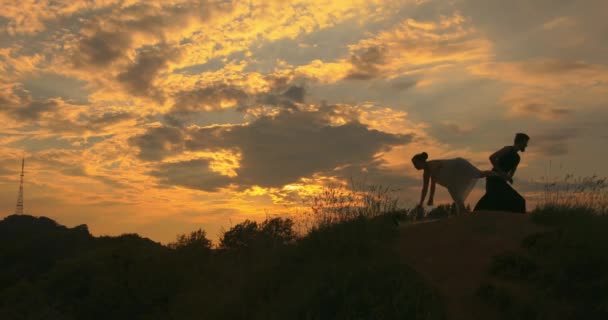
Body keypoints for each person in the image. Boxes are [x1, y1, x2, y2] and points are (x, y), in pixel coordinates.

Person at [412, 152, 495, 215]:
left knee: (479, 174)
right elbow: (425, 188)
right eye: (414, 164)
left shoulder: (432, 165)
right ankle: (464, 214)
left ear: (421, 161)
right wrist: (421, 203)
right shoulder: (426, 173)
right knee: (457, 198)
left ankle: (498, 174)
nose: (415, 166)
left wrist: (431, 198)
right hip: (452, 181)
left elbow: (432, 183)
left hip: (459, 166)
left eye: (416, 163)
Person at [474, 133, 530, 213]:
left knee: (519, 201)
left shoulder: (517, 158)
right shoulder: (507, 149)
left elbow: (511, 173)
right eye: (525, 143)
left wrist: (509, 178)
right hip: (493, 180)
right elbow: (492, 157)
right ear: (520, 142)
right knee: (493, 201)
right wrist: (501, 173)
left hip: (501, 182)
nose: (526, 145)